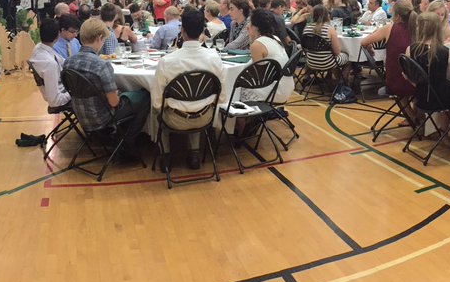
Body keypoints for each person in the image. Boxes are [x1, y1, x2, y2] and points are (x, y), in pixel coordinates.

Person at [149, 9, 227, 169]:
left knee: (156, 108)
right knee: (198, 103)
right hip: (205, 117)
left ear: (182, 30)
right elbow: (222, 97)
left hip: (175, 120)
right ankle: (195, 155)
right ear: (202, 31)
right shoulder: (215, 59)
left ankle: (166, 156)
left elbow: (157, 103)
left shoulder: (167, 61)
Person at [61, 18, 149, 140]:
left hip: (81, 115)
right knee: (145, 97)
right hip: (102, 117)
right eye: (103, 40)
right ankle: (127, 141)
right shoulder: (102, 65)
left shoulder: (68, 63)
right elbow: (114, 103)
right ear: (99, 37)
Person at [362, 0, 415, 101]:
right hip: (417, 79)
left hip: (396, 79)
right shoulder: (418, 28)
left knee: (403, 93)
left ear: (397, 15)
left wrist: (370, 48)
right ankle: (416, 116)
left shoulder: (389, 28)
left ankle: (412, 116)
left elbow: (363, 42)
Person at [407, 10, 450, 112]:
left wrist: (418, 84)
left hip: (419, 95)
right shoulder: (446, 52)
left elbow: (408, 75)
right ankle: (447, 127)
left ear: (419, 29)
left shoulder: (411, 49)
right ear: (438, 29)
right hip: (442, 97)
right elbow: (447, 75)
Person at [242, 9, 295, 104]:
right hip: (285, 86)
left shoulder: (257, 44)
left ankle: (243, 117)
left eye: (249, 22)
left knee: (235, 88)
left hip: (274, 90)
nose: (247, 25)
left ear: (256, 27)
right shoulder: (275, 38)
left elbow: (256, 79)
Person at [28, 17, 71, 109]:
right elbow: (54, 101)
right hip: (61, 96)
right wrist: (73, 93)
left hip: (63, 86)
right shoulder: (50, 64)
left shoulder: (39, 47)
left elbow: (63, 62)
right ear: (58, 36)